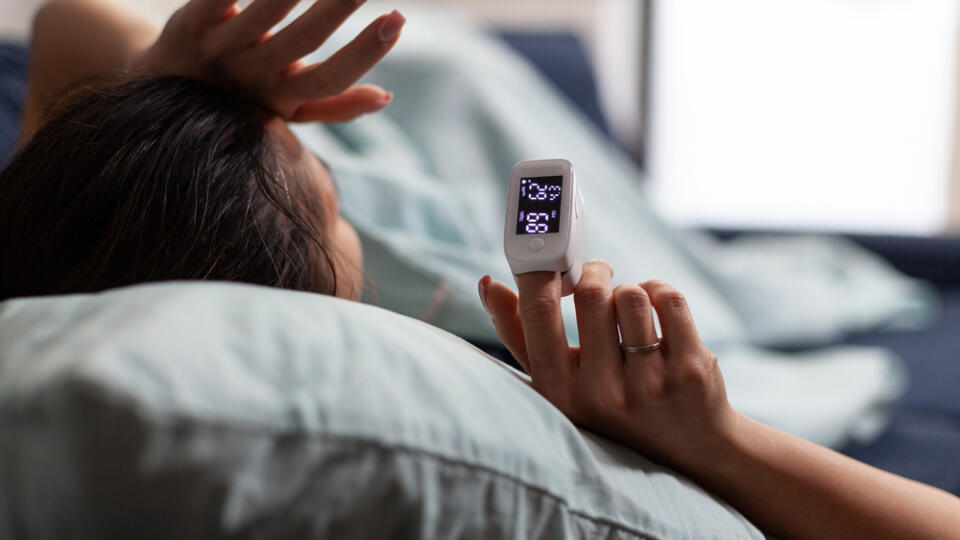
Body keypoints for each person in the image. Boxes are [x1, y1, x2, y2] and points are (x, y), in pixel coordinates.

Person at [1, 1, 959, 538]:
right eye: (335, 198)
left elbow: (68, 22)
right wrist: (720, 440)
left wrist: (158, 80)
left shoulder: (50, 236)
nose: (356, 202)